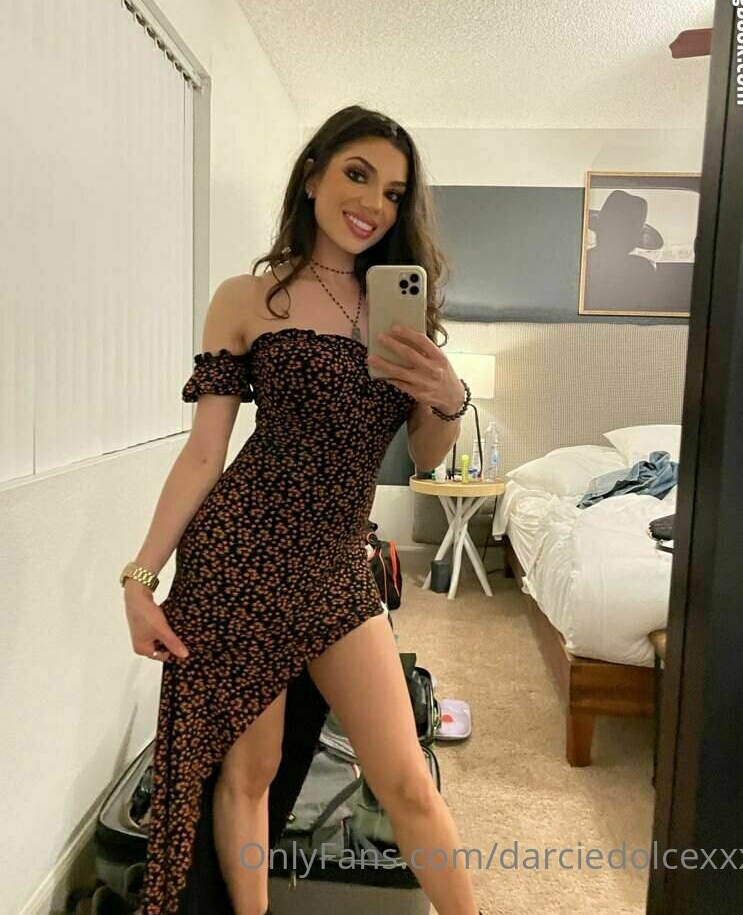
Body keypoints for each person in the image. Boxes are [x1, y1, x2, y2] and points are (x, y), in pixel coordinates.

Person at [122, 105, 484, 915]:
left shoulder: (404, 313)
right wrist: (141, 577)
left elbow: (427, 459)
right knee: (249, 773)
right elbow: (205, 453)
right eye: (358, 174)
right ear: (314, 176)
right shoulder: (249, 298)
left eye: (393, 192)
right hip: (238, 558)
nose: (373, 204)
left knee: (406, 781)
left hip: (335, 565)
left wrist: (449, 396)